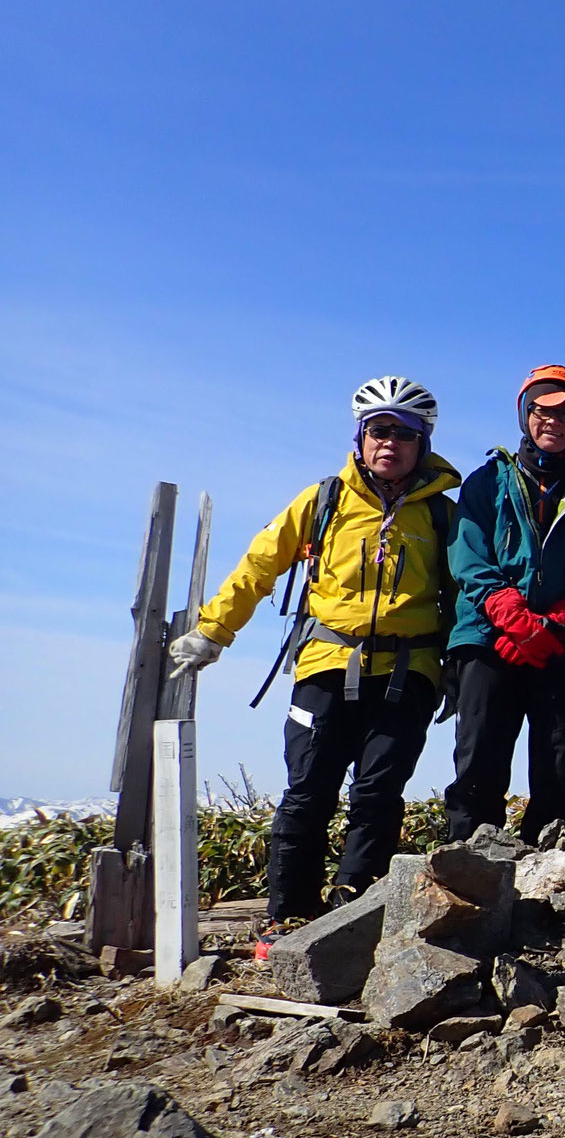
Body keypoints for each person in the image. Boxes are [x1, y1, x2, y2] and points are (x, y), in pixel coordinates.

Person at [165, 377, 460, 931]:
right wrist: (214, 631)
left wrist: (459, 671)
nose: (388, 443)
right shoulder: (324, 499)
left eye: (403, 432)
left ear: (423, 443)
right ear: (360, 437)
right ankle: (287, 916)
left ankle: (354, 917)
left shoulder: (443, 515)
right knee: (308, 791)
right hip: (326, 665)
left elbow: (464, 594)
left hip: (410, 671)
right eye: (378, 430)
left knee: (377, 794)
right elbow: (261, 563)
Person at [442, 366, 565, 845]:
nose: (553, 421)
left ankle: (551, 876)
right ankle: (470, 861)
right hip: (488, 639)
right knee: (479, 761)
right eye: (542, 409)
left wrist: (560, 624)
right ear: (525, 414)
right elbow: (467, 553)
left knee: (563, 768)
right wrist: (509, 615)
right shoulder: (485, 482)